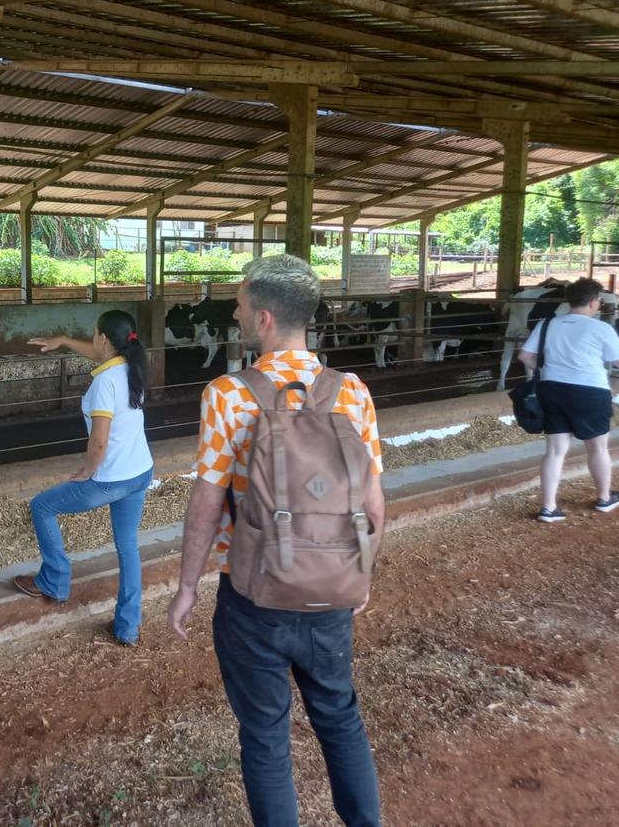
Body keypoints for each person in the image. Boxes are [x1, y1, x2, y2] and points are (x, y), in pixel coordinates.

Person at [168, 254, 385, 827]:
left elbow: (207, 504)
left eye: (240, 303)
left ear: (263, 318)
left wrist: (187, 586)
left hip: (252, 596)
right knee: (340, 718)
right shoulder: (352, 393)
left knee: (265, 736)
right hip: (332, 589)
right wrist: (359, 573)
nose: (235, 311)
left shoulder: (227, 394)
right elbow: (373, 504)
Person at [12, 310, 155, 646]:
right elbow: (97, 354)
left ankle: (54, 581)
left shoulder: (105, 382)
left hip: (110, 478)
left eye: (94, 335)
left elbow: (100, 441)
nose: (92, 341)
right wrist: (63, 340)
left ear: (104, 339)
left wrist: (89, 469)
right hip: (140, 471)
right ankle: (128, 626)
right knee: (127, 547)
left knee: (43, 506)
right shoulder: (130, 367)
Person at [517, 277, 619, 523]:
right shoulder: (601, 328)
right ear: (593, 302)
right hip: (590, 392)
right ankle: (603, 498)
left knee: (555, 451)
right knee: (598, 447)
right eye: (599, 300)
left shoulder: (547, 324)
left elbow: (525, 356)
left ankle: (548, 508)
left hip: (552, 390)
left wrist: (547, 370)